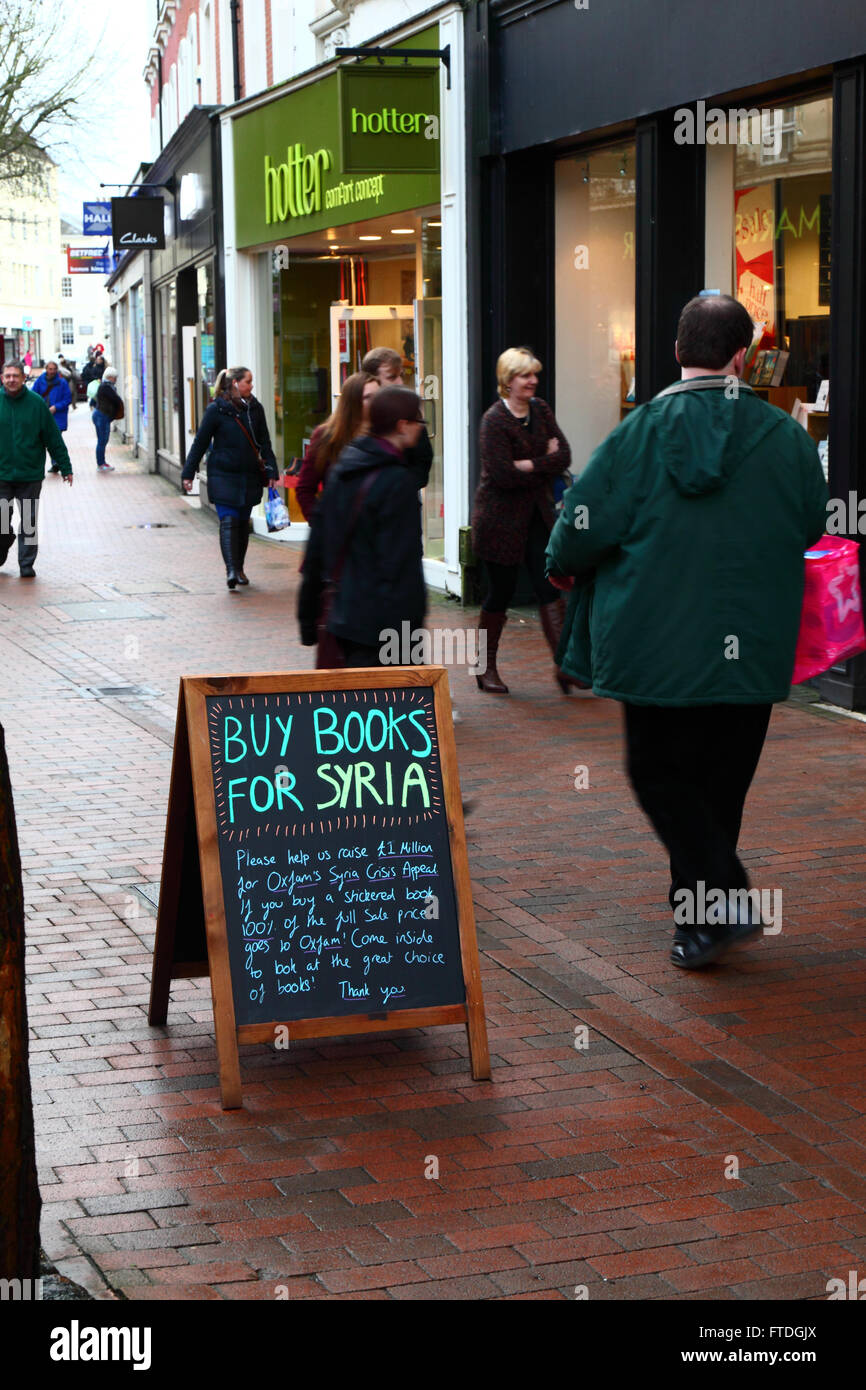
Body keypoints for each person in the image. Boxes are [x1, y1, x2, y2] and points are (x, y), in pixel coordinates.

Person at [546, 294, 828, 970]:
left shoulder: (638, 432)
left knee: (660, 775)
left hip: (654, 648)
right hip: (750, 646)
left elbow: (580, 529)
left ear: (677, 351)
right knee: (719, 787)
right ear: (744, 357)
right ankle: (702, 922)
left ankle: (716, 908)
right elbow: (812, 523)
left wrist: (561, 570)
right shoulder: (785, 436)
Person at [471, 346, 580, 695]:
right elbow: (502, 475)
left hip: (537, 517)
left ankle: (565, 667)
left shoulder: (541, 410)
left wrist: (528, 465)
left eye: (534, 374)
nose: (533, 381)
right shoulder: (493, 420)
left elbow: (563, 453)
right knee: (499, 594)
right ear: (508, 380)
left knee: (550, 588)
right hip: (499, 520)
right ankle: (483, 667)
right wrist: (541, 461)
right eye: (525, 375)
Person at [298, 386, 427, 667]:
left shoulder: (344, 469)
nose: (421, 429)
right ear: (402, 426)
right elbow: (402, 565)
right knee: (391, 707)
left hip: (343, 617)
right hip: (385, 626)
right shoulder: (397, 482)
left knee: (352, 705)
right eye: (419, 422)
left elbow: (316, 549)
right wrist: (411, 632)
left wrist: (308, 616)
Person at [181, 367, 278, 589]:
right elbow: (201, 442)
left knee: (243, 523)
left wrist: (272, 470)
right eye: (248, 381)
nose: (251, 386)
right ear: (235, 383)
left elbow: (265, 442)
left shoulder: (255, 409)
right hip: (223, 474)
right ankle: (231, 570)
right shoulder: (216, 410)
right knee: (228, 520)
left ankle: (240, 567)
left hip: (249, 474)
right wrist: (188, 472)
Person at [0, 360, 73, 578]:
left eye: (15, 376)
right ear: (2, 378)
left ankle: (26, 564)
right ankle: (3, 544)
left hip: (29, 475)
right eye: (7, 376)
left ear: (23, 378)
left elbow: (52, 437)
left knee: (29, 521)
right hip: (2, 475)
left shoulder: (36, 404)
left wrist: (65, 466)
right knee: (2, 520)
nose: (11, 379)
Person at [296, 371, 379, 521]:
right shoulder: (327, 436)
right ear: (352, 401)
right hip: (341, 530)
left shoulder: (386, 433)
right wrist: (321, 526)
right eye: (368, 397)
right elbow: (305, 489)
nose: (375, 402)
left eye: (378, 396)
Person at [361, 346, 433, 489]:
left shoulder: (410, 414)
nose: (400, 382)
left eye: (401, 375)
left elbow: (422, 465)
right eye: (392, 377)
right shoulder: (356, 418)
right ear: (371, 380)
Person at [32, 362, 72, 474]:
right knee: (42, 440)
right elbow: (33, 396)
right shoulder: (40, 381)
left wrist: (56, 407)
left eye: (54, 369)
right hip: (43, 416)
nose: (52, 371)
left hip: (57, 416)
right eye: (50, 369)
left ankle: (56, 463)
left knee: (55, 440)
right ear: (46, 369)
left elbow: (67, 399)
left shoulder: (62, 383)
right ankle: (52, 463)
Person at [92, 369, 123, 471]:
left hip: (101, 414)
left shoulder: (105, 386)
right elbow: (115, 399)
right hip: (102, 415)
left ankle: (101, 463)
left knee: (102, 440)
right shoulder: (106, 387)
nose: (115, 379)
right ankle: (101, 464)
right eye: (114, 377)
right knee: (102, 440)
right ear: (109, 377)